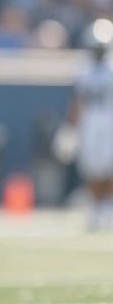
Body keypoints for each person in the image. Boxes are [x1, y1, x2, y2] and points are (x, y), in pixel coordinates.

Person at [65, 18, 113, 231]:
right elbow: (78, 100)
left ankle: (108, 207)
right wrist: (70, 127)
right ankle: (95, 207)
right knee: (91, 167)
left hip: (109, 120)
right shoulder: (83, 69)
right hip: (90, 121)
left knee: (109, 166)